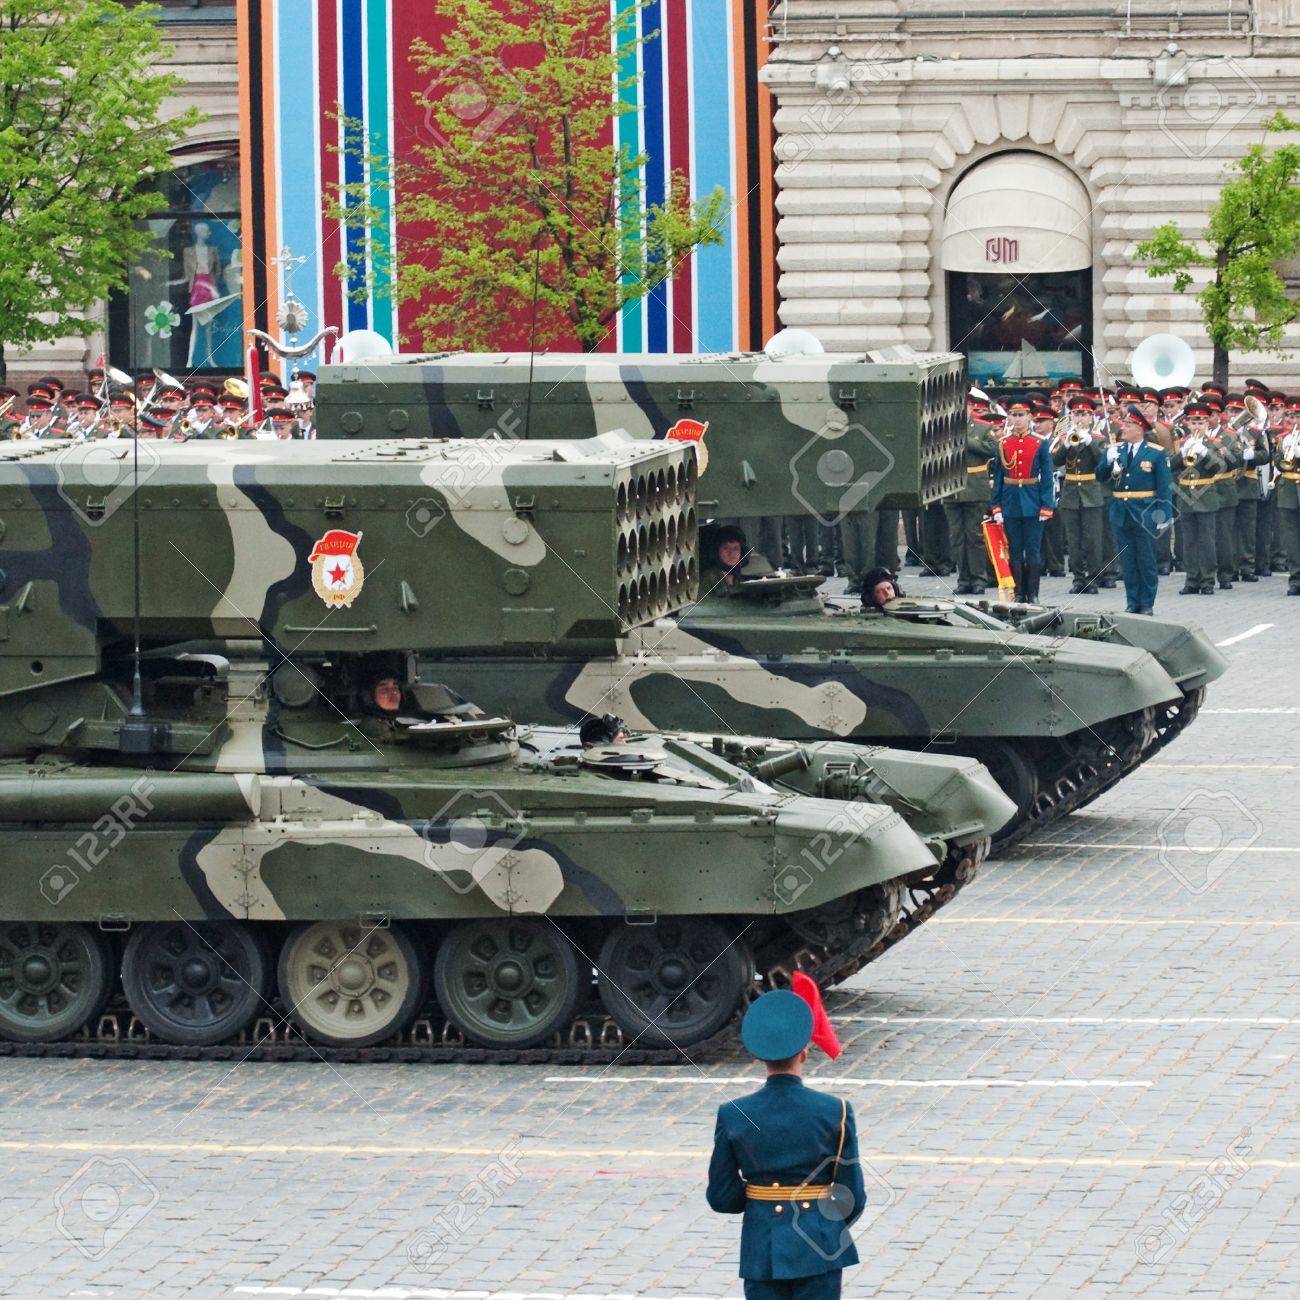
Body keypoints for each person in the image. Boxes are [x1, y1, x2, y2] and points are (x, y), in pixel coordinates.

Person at [707, 989, 865, 1299]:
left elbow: (722, 1197)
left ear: (759, 1058)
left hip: (761, 1248)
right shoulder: (837, 1111)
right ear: (804, 1053)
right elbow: (852, 1197)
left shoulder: (733, 1115)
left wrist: (760, 1203)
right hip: (820, 1246)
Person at [1096, 404, 1172, 615]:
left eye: (1128, 424)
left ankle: (1147, 603)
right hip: (1121, 511)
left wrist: (1164, 516)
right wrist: (1106, 460)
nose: (1123, 428)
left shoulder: (1155, 453)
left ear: (1139, 428)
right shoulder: (1116, 450)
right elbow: (1100, 476)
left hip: (1145, 512)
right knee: (1128, 561)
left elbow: (1164, 487)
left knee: (1146, 560)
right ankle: (1132, 602)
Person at [990, 397, 1055, 604]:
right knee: (1015, 550)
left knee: (1033, 551)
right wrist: (996, 505)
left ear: (1029, 417)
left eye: (1021, 415)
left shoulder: (1039, 443)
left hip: (1033, 500)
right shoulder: (1003, 443)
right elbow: (999, 477)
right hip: (1010, 501)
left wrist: (1046, 505)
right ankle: (1019, 592)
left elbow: (1047, 477)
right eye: (1014, 415)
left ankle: (1033, 593)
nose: (1017, 419)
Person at [1052, 394, 1105, 593]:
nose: (1080, 419)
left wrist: (1089, 442)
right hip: (1071, 494)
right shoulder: (1065, 438)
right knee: (1074, 541)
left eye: (1084, 414)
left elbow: (1102, 462)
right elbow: (1055, 461)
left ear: (1091, 417)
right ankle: (1078, 578)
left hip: (1091, 493)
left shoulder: (1098, 439)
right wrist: (1066, 445)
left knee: (1092, 540)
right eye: (1076, 414)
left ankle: (1092, 578)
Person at [1170, 401, 1223, 596]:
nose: (1197, 426)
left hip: (1206, 495)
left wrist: (1204, 452)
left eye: (1200, 422)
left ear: (1207, 423)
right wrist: (1182, 453)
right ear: (1187, 424)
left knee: (1207, 541)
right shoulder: (1182, 444)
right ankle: (1191, 579)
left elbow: (1220, 467)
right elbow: (1171, 466)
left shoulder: (1214, 444)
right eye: (1193, 422)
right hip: (1186, 496)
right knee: (1189, 541)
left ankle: (1208, 580)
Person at [945, 402, 997, 595]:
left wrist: (968, 440)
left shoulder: (983, 428)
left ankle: (978, 579)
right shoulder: (943, 427)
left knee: (974, 537)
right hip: (951, 489)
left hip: (975, 489)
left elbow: (993, 450)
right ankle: (963, 579)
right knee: (957, 537)